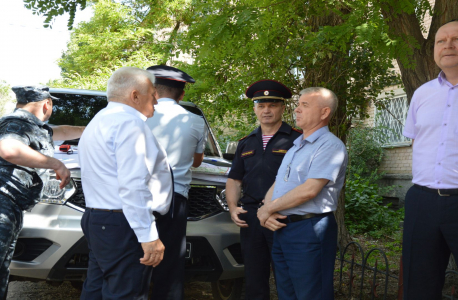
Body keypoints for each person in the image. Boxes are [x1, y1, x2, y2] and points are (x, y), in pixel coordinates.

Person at [78, 67, 173, 299]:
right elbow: (133, 185)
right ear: (135, 96)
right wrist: (148, 236)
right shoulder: (130, 124)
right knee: (126, 292)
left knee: (97, 289)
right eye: (152, 94)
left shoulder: (99, 120)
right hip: (123, 223)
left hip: (100, 219)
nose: (157, 100)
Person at [257, 87, 348, 300]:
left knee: (311, 294)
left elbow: (310, 190)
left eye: (304, 105)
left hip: (309, 230)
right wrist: (266, 211)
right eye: (298, 104)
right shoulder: (296, 146)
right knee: (287, 294)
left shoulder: (330, 145)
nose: (297, 110)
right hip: (284, 228)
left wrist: (267, 209)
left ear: (324, 113)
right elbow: (278, 183)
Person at [0, 86, 85, 299]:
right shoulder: (16, 123)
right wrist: (55, 163)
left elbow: (64, 131)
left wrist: (94, 128)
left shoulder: (34, 126)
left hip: (13, 206)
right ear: (47, 104)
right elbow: (9, 149)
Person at [226, 80, 302, 300]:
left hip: (282, 216)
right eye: (261, 105)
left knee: (286, 276)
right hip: (251, 217)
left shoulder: (297, 139)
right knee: (254, 276)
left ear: (282, 107)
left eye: (272, 105)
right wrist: (232, 207)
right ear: (255, 109)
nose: (266, 110)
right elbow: (234, 179)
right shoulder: (246, 142)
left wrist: (276, 207)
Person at [401, 19, 458, 300]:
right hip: (422, 202)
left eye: (456, 38)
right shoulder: (422, 94)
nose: (448, 45)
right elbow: (416, 142)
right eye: (441, 40)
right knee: (418, 286)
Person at [145, 65, 207, 300]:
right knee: (170, 262)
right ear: (182, 94)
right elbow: (197, 162)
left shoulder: (139, 116)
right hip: (175, 197)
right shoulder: (195, 121)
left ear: (153, 91)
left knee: (135, 256)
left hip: (138, 196)